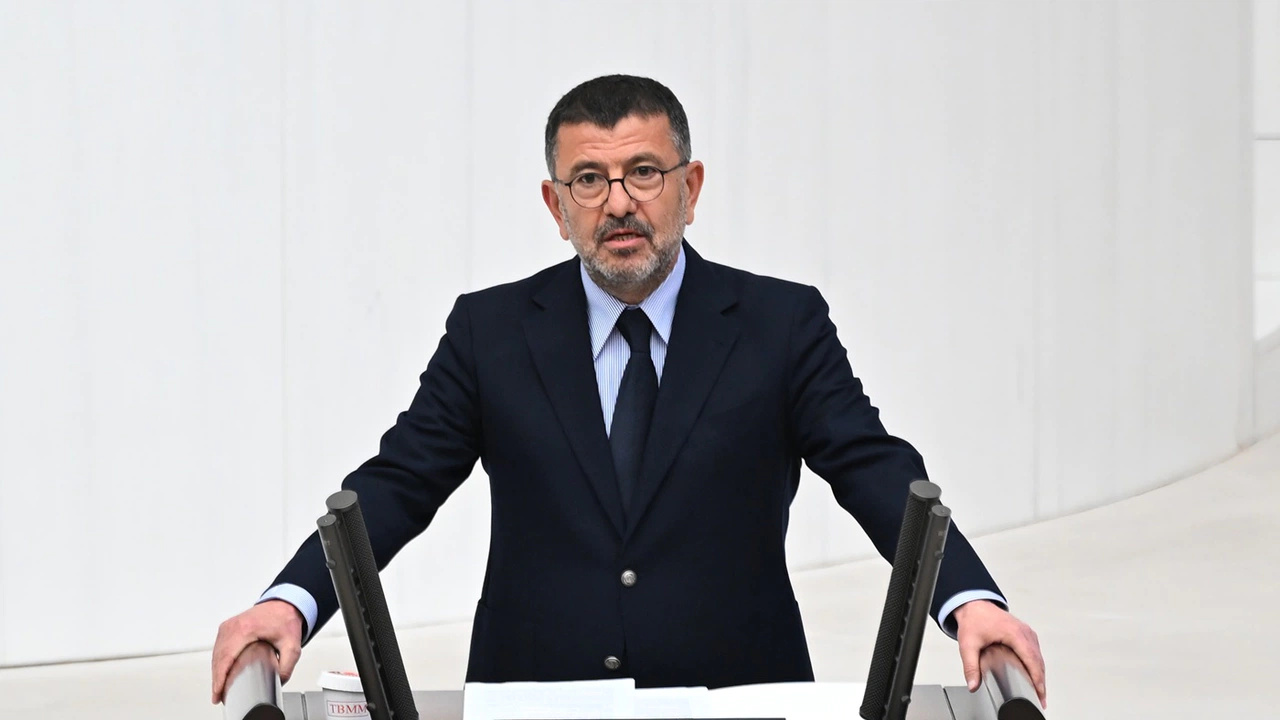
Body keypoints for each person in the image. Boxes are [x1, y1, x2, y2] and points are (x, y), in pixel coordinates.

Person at [211, 74, 1046, 707]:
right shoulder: (490, 330)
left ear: (691, 187)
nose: (619, 203)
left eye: (644, 172)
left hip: (738, 696)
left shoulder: (781, 324)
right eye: (589, 179)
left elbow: (873, 469)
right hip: (538, 698)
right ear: (555, 204)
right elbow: (400, 481)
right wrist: (292, 602)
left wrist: (967, 600)